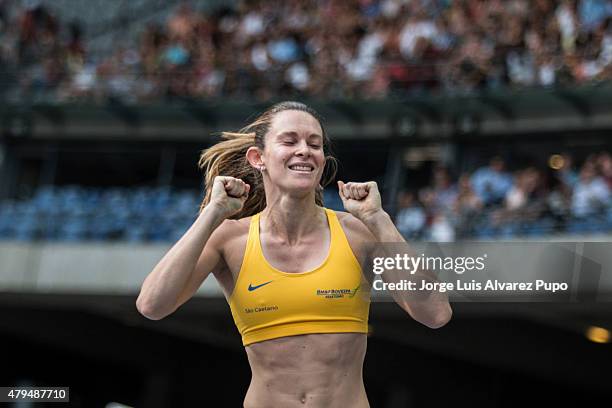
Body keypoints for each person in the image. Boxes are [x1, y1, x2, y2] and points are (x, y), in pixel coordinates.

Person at [136, 101, 452, 407]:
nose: (304, 150)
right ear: (258, 157)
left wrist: (380, 221)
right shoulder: (230, 238)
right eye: (290, 141)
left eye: (314, 144)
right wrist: (211, 214)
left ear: (323, 162)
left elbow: (435, 314)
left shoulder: (358, 232)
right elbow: (152, 305)